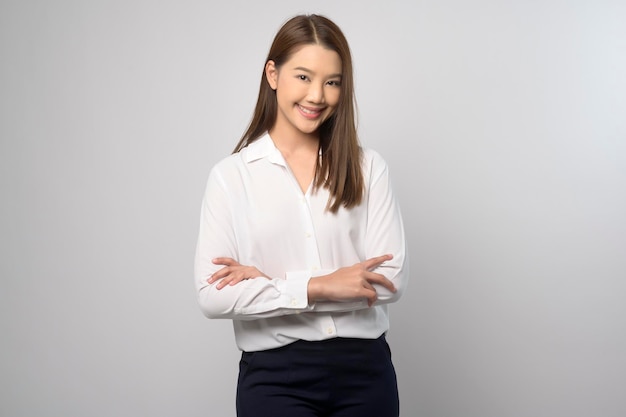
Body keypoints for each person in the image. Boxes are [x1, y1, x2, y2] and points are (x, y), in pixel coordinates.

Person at [194, 14, 408, 417]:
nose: (317, 96)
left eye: (332, 82)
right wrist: (321, 286)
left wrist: (271, 285)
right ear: (272, 74)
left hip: (366, 374)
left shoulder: (367, 168)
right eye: (303, 77)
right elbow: (212, 296)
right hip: (275, 379)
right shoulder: (231, 177)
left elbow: (390, 281)